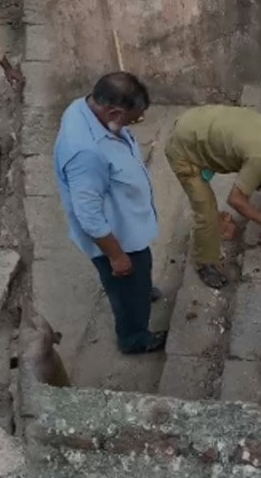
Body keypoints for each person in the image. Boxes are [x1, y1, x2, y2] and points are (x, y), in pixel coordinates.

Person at [54, 72, 167, 355]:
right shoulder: (86, 152)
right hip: (117, 237)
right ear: (114, 112)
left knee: (136, 280)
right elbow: (88, 214)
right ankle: (134, 338)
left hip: (126, 220)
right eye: (132, 120)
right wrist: (116, 255)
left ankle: (139, 291)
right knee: (126, 284)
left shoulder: (85, 109)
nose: (132, 125)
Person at [165, 107, 261, 289]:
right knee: (206, 212)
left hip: (197, 122)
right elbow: (235, 200)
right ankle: (205, 262)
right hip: (184, 149)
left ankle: (254, 177)